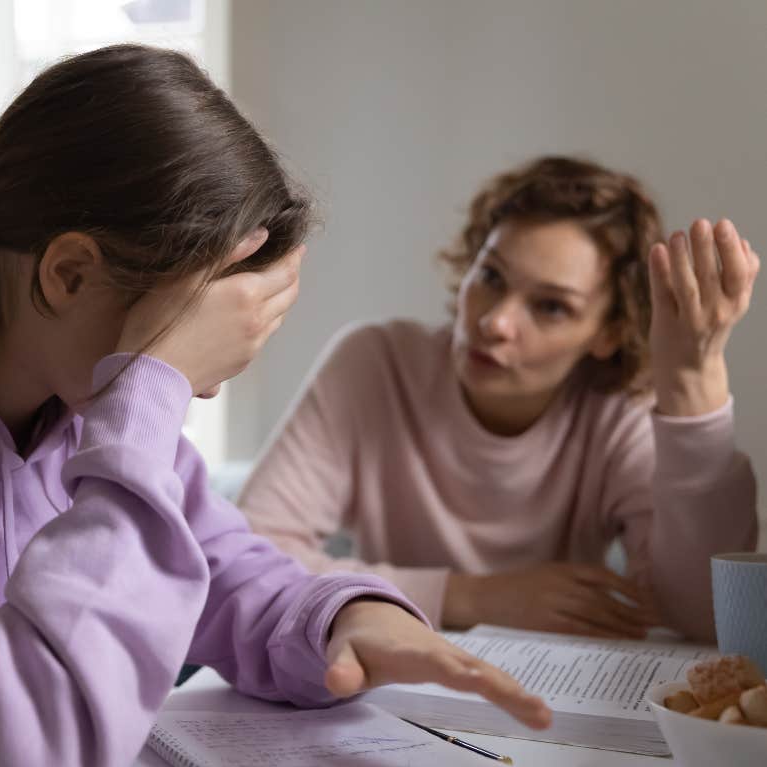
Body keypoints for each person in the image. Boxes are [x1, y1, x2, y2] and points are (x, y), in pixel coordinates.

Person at [0, 46, 550, 767]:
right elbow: (32, 754)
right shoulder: (118, 428)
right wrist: (149, 392)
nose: (199, 390)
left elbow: (230, 571)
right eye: (184, 347)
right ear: (69, 275)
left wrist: (349, 620)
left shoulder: (81, 422)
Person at [238, 156, 759, 643]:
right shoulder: (376, 364)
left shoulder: (619, 411)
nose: (495, 322)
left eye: (551, 307)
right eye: (490, 276)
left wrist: (692, 383)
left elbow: (705, 617)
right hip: (386, 679)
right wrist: (472, 597)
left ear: (609, 333)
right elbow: (248, 558)